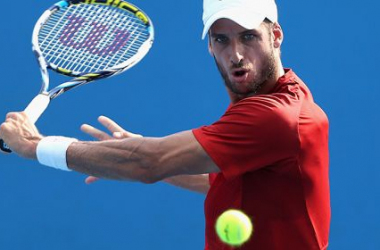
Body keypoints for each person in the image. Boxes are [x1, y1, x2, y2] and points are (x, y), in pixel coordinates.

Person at [0, 0, 331, 249]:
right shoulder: (283, 97)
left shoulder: (277, 116)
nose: (236, 54)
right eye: (222, 40)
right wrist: (125, 153)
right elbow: (223, 180)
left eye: (248, 37)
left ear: (275, 35)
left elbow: (148, 163)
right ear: (210, 46)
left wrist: (33, 146)